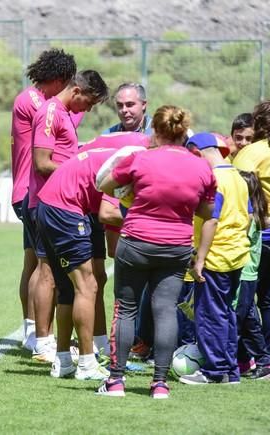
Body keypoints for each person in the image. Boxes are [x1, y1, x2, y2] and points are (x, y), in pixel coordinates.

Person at [97, 106, 217, 399]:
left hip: (136, 240)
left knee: (126, 310)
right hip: (176, 246)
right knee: (165, 312)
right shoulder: (201, 166)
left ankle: (115, 381)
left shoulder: (141, 158)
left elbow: (104, 184)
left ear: (156, 130)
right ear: (182, 132)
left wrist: (130, 190)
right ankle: (160, 384)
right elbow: (207, 210)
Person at [37, 142, 147, 381]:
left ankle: (63, 360)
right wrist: (145, 221)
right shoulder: (133, 163)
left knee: (67, 289)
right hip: (65, 208)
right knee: (88, 286)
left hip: (48, 205)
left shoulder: (127, 153)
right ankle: (87, 363)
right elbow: (107, 214)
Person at [26, 70, 109, 363]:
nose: (88, 109)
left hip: (63, 202)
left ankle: (57, 348)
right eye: (89, 102)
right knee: (48, 272)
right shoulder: (50, 112)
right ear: (77, 91)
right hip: (48, 203)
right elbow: (41, 162)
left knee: (63, 280)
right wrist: (80, 172)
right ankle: (43, 341)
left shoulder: (63, 113)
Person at [11, 48, 78, 351]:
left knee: (35, 262)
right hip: (32, 190)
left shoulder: (40, 100)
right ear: (58, 79)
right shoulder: (38, 102)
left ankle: (34, 333)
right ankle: (37, 333)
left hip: (33, 190)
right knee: (41, 265)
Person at [178, 132, 250, 385]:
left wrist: (200, 258)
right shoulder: (237, 177)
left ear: (197, 152)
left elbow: (212, 219)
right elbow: (249, 215)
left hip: (215, 257)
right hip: (236, 254)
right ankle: (230, 369)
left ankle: (215, 370)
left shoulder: (215, 179)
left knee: (210, 315)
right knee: (225, 312)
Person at [76, 132, 151, 360]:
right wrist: (150, 219)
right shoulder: (133, 158)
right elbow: (107, 212)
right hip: (73, 207)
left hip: (87, 208)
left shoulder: (149, 157)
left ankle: (135, 349)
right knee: (87, 283)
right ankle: (53, 344)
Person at [233, 100, 270, 369]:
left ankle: (244, 357)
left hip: (261, 232)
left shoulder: (254, 152)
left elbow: (234, 185)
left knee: (242, 297)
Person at [234, 170, 270, 380]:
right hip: (246, 276)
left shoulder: (247, 218)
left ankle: (262, 362)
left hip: (244, 275)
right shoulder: (253, 214)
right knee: (246, 319)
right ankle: (251, 361)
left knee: (241, 320)